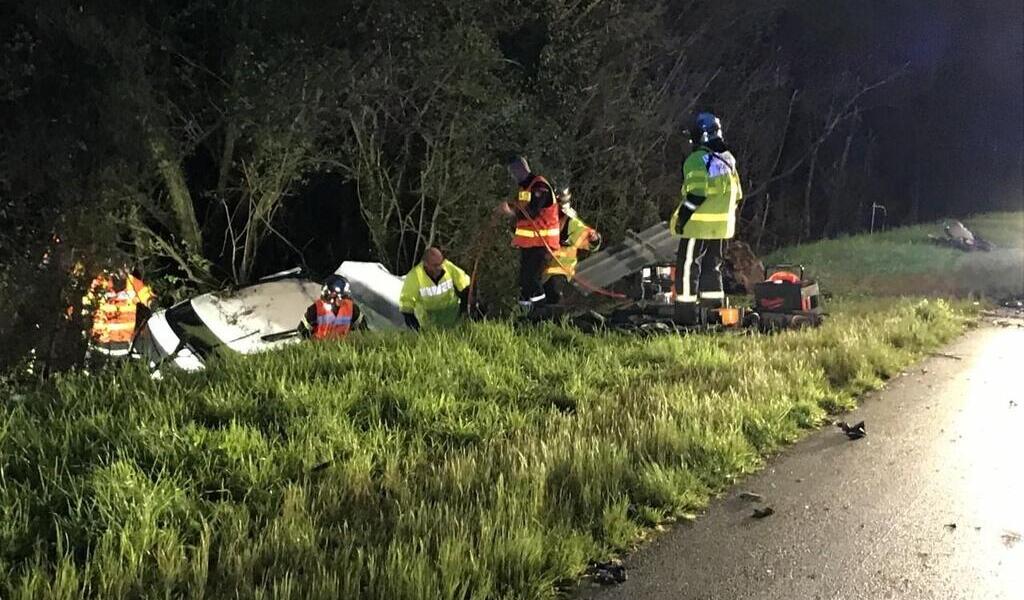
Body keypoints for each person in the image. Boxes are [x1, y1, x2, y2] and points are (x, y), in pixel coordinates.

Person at [669, 112, 743, 310]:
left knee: (688, 265)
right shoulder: (728, 160)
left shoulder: (696, 160)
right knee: (713, 265)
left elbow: (696, 194)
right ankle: (713, 308)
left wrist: (681, 219)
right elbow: (737, 195)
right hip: (721, 228)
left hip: (698, 226)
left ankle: (685, 311)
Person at [496, 155, 559, 311]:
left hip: (541, 243)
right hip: (529, 244)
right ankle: (525, 313)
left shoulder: (539, 186)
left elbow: (532, 212)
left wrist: (510, 213)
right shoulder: (525, 189)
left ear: (521, 169)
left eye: (513, 172)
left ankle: (541, 311)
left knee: (531, 279)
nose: (512, 176)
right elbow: (522, 214)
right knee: (524, 280)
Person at [542, 187, 602, 304]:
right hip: (544, 271)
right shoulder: (544, 217)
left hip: (560, 271)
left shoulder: (572, 223)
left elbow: (589, 241)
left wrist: (594, 240)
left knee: (553, 300)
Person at [82, 267, 155, 356]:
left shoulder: (92, 288)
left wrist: (150, 300)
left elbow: (134, 286)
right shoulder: (87, 333)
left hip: (151, 314)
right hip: (144, 338)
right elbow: (113, 348)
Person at [399, 247, 472, 330]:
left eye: (440, 263)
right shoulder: (415, 276)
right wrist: (414, 325)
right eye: (435, 265)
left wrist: (464, 308)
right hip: (428, 325)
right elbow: (406, 302)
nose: (439, 268)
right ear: (426, 264)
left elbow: (464, 283)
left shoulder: (448, 267)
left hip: (454, 320)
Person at [300, 274, 362, 340]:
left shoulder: (352, 309)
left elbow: (364, 329)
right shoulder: (314, 310)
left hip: (343, 347)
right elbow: (302, 332)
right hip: (320, 347)